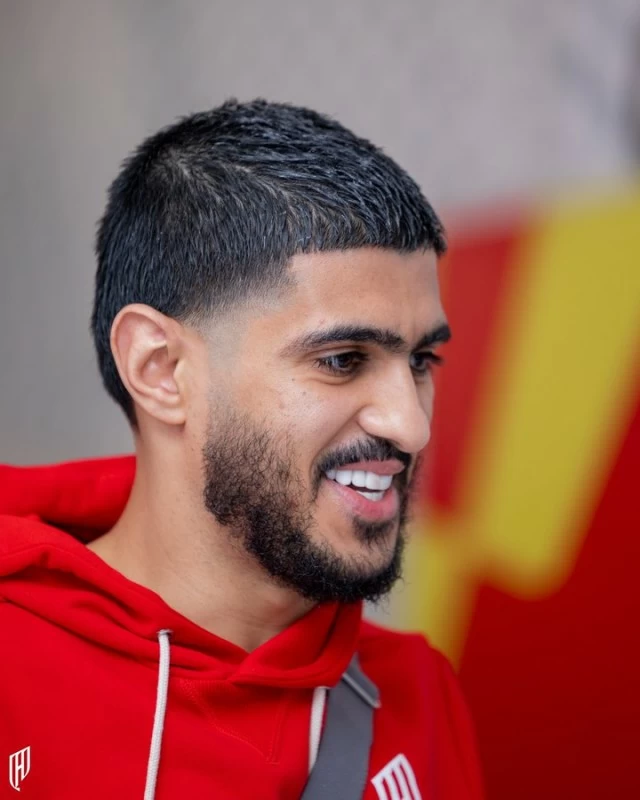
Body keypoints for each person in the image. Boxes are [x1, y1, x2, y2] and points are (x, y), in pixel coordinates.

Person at [0, 99, 483, 799]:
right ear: (161, 370)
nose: (412, 426)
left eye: (420, 361)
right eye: (342, 360)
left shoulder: (417, 692)